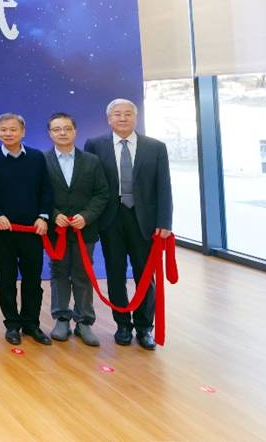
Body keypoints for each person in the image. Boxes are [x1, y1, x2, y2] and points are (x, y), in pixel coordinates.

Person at [84, 98, 173, 350]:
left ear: (135, 117)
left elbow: (164, 186)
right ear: (108, 119)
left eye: (127, 114)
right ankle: (122, 325)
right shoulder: (95, 145)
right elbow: (90, 185)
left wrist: (164, 221)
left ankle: (145, 327)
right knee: (115, 273)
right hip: (110, 218)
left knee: (145, 274)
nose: (122, 118)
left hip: (144, 220)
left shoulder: (155, 147)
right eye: (117, 114)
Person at [0, 113, 52, 346]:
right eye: (3, 130)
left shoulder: (36, 157)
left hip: (33, 230)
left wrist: (43, 217)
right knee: (7, 279)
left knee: (33, 279)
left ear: (23, 132)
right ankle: (12, 324)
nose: (8, 133)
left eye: (13, 129)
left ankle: (31, 323)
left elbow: (46, 190)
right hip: (3, 230)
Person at [44, 113, 112, 347]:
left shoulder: (92, 161)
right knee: (59, 272)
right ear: (50, 133)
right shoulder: (42, 161)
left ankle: (84, 322)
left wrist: (87, 216)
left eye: (67, 128)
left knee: (83, 273)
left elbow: (102, 193)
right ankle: (61, 318)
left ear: (75, 131)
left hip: (85, 229)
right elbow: (38, 194)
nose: (62, 133)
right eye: (57, 129)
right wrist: (54, 215)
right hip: (57, 231)